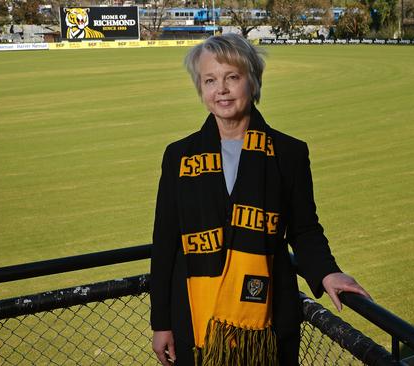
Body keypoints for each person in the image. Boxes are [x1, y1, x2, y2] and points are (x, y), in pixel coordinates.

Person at [150, 33, 371, 366]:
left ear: (252, 82)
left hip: (270, 315)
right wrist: (161, 323)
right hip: (195, 319)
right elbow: (165, 243)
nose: (220, 89)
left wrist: (328, 273)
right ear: (200, 89)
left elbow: (305, 228)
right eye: (210, 80)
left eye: (232, 78)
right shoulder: (178, 156)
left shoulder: (289, 153)